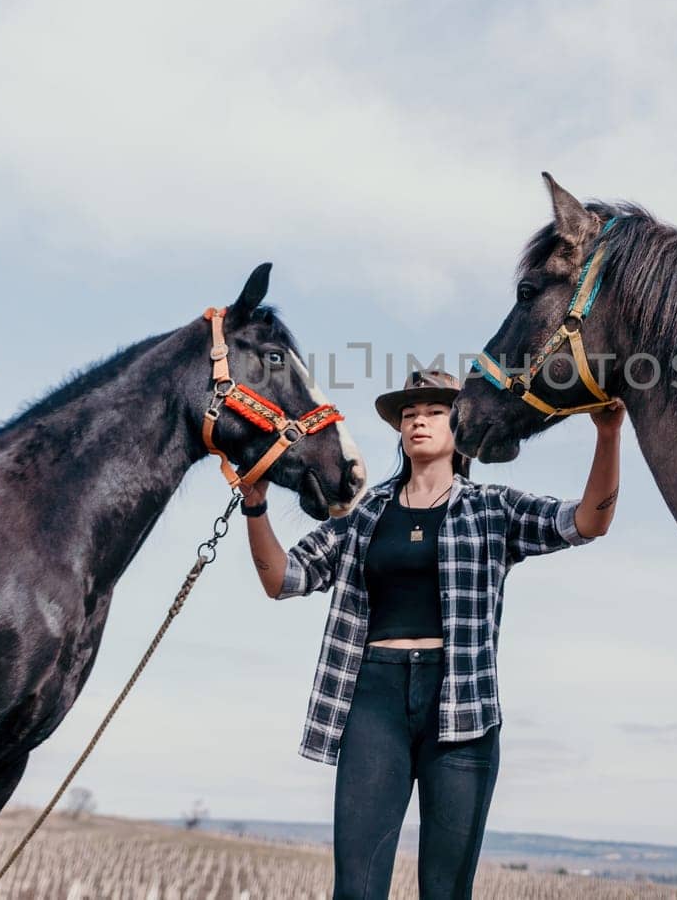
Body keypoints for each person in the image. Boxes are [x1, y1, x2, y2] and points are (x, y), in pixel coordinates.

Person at [243, 368, 624, 899]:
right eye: (408, 414)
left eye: (433, 411)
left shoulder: (493, 507)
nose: (418, 421)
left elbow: (586, 522)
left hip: (462, 706)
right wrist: (255, 506)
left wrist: (608, 437)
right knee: (355, 889)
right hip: (374, 701)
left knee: (445, 892)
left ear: (459, 423)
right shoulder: (364, 514)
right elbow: (282, 578)